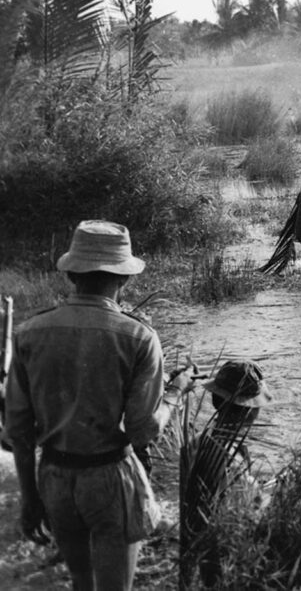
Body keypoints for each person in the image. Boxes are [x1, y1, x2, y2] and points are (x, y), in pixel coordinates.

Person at [5, 220, 191, 591]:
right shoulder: (139, 336)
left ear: (73, 274)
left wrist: (29, 498)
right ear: (123, 278)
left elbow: (19, 433)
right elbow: (143, 431)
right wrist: (175, 392)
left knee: (81, 582)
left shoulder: (28, 332)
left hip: (54, 476)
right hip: (109, 478)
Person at [181, 359, 271, 588]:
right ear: (250, 411)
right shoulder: (232, 457)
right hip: (225, 554)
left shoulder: (196, 442)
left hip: (197, 545)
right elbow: (251, 513)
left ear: (215, 400)